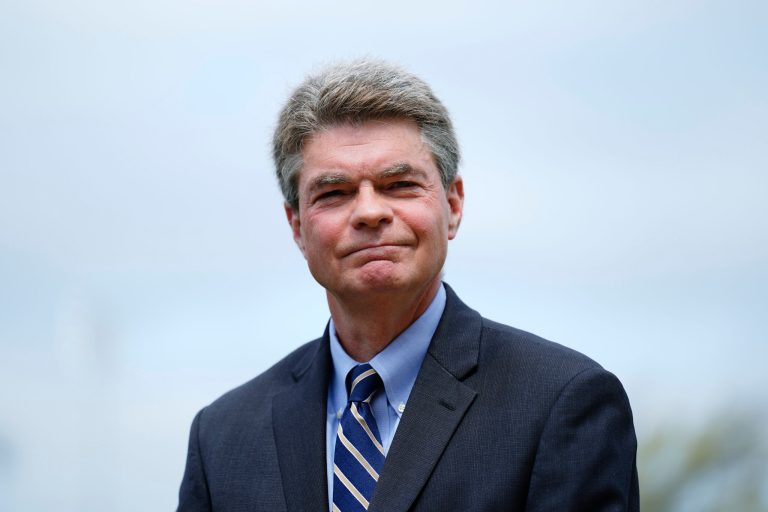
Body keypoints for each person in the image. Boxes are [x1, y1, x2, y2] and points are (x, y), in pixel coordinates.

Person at [177, 59, 639, 512]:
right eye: (334, 193)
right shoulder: (222, 440)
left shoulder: (560, 402)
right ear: (296, 225)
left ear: (453, 205)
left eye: (399, 184)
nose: (369, 212)